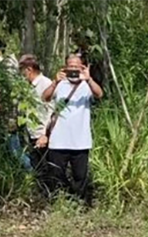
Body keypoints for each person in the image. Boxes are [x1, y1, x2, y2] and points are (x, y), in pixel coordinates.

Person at [40, 54, 103, 204]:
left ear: (82, 67)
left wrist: (88, 79)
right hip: (59, 140)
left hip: (80, 141)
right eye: (71, 66)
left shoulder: (86, 85)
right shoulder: (60, 83)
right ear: (65, 67)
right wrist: (55, 82)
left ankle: (80, 204)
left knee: (80, 176)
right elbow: (45, 97)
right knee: (56, 175)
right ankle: (58, 203)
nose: (73, 69)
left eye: (77, 66)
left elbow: (99, 94)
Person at [18, 54, 53, 177]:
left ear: (29, 69)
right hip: (32, 135)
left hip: (43, 136)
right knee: (37, 170)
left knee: (47, 171)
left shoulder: (46, 84)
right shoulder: (28, 86)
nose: (21, 74)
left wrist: (45, 134)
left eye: (22, 70)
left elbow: (53, 111)